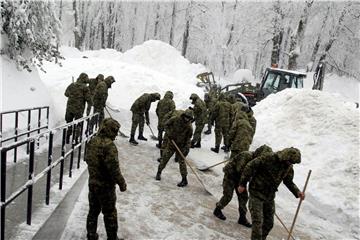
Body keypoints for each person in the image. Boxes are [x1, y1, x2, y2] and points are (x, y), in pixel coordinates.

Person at [238, 147, 305, 240]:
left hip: (269, 196)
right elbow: (250, 166)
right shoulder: (268, 158)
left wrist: (297, 192)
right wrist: (242, 184)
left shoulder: (288, 167)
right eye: (290, 161)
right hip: (256, 192)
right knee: (257, 223)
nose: (290, 164)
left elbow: (288, 181)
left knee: (269, 223)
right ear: (285, 157)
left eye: (292, 163)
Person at [85, 118, 127, 240]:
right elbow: (114, 169)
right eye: (114, 131)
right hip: (106, 187)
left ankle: (91, 235)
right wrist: (122, 183)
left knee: (93, 211)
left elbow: (87, 159)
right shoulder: (109, 147)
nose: (115, 134)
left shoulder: (92, 142)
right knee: (110, 213)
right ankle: (112, 238)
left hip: (92, 183)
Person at [213, 145, 273, 227]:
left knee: (244, 198)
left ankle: (242, 218)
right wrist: (242, 185)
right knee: (228, 195)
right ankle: (218, 209)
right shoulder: (246, 155)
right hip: (231, 175)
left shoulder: (259, 162)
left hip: (241, 180)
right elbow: (240, 171)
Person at [155, 109, 193, 187]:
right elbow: (166, 125)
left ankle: (184, 179)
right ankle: (159, 172)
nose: (187, 119)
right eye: (186, 117)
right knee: (165, 158)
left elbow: (188, 139)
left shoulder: (189, 127)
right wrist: (169, 134)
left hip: (181, 146)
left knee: (182, 162)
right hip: (172, 143)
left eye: (188, 118)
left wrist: (186, 149)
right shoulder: (175, 119)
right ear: (183, 115)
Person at [64, 72, 92, 143]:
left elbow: (66, 94)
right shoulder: (85, 88)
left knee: (69, 124)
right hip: (78, 110)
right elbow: (89, 100)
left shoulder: (72, 85)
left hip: (69, 109)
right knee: (78, 125)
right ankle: (76, 140)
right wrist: (88, 112)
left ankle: (67, 138)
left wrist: (73, 94)